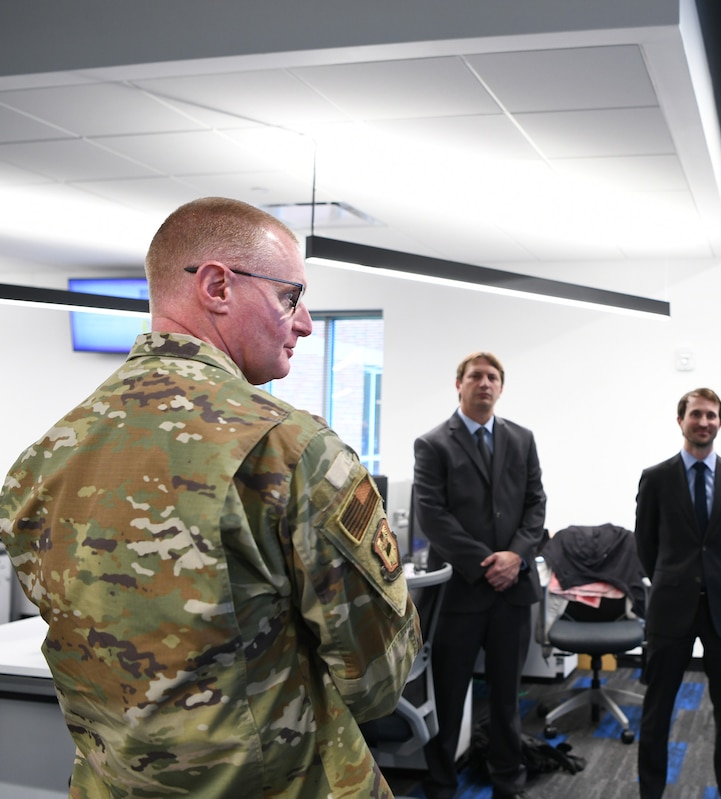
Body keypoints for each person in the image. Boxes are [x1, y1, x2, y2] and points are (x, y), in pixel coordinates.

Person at [0, 197, 421, 798]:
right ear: (218, 286)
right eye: (290, 297)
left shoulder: (40, 460)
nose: (303, 323)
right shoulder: (290, 449)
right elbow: (376, 680)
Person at [413, 352, 547, 799]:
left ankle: (508, 779)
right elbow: (432, 517)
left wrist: (517, 556)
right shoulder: (433, 444)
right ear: (459, 384)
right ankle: (441, 783)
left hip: (512, 592)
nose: (484, 383)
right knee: (448, 697)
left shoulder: (522, 439)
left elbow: (536, 505)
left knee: (509, 697)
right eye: (476, 376)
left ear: (501, 387)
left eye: (492, 377)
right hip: (459, 592)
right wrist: (488, 562)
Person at [635, 388, 721, 799]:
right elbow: (645, 545)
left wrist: (716, 576)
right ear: (681, 420)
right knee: (657, 712)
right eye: (697, 414)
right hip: (670, 608)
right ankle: (650, 791)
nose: (704, 422)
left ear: (720, 422)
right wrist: (672, 578)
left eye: (712, 415)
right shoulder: (656, 478)